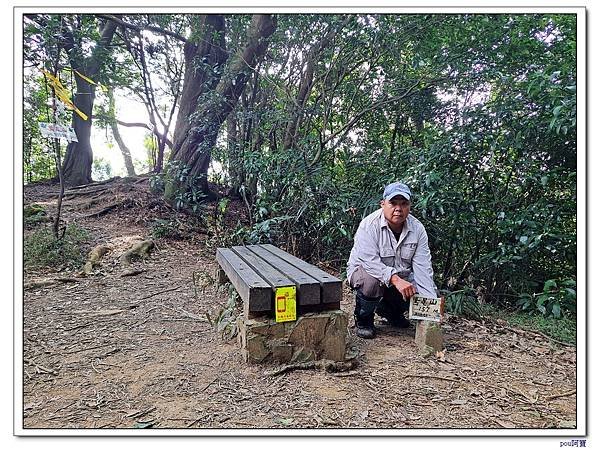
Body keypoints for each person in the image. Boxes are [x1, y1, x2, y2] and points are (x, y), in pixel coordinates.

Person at [346, 181, 438, 339]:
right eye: (393, 203)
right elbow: (369, 262)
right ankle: (364, 318)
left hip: (400, 277)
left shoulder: (417, 229)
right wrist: (395, 280)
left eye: (404, 204)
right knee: (370, 282)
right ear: (383, 204)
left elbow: (423, 268)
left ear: (409, 206)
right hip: (368, 273)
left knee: (422, 289)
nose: (398, 208)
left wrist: (431, 308)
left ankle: (391, 312)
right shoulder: (368, 225)